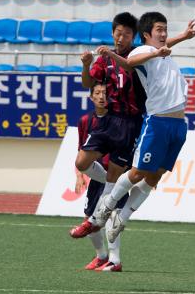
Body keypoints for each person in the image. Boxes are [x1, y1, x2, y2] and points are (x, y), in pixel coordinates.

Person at [70, 11, 195, 239]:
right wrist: (95, 60)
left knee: (153, 178)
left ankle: (121, 217)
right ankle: (101, 213)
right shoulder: (142, 51)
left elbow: (160, 46)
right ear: (146, 35)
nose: (163, 34)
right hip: (149, 121)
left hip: (175, 126)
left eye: (164, 29)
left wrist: (182, 37)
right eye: (159, 30)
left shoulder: (161, 53)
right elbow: (132, 61)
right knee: (134, 172)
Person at [71, 82, 127, 272]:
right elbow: (82, 149)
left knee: (112, 216)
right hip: (98, 176)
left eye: (105, 92)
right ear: (91, 97)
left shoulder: (118, 120)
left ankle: (114, 259)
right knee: (90, 219)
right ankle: (101, 256)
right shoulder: (85, 121)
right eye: (97, 93)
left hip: (116, 173)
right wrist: (79, 175)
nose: (102, 96)